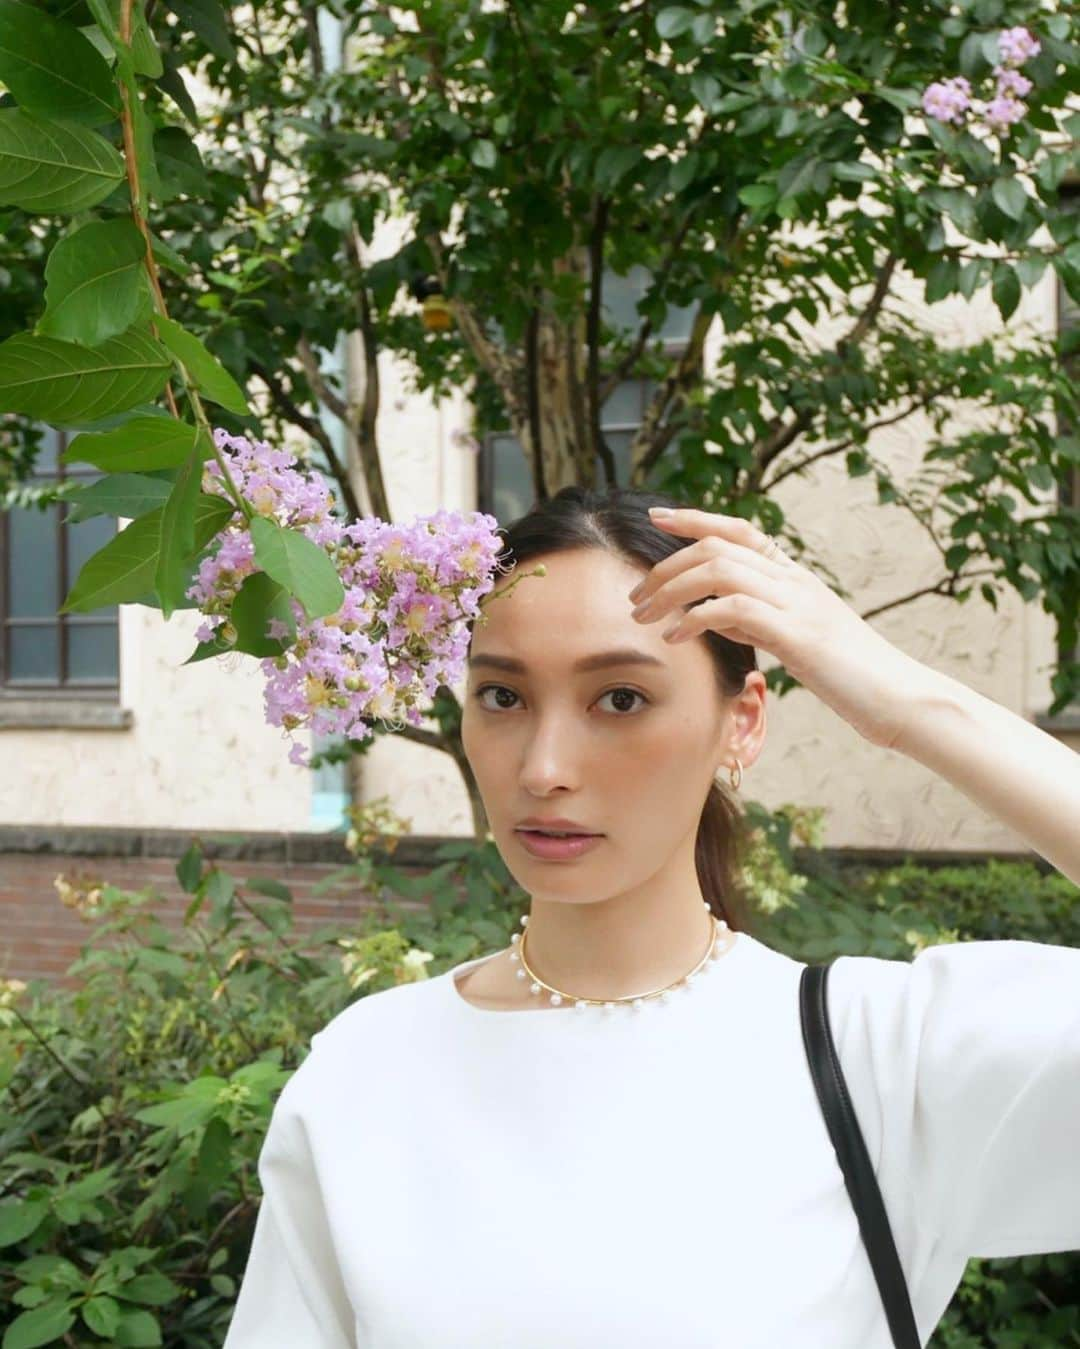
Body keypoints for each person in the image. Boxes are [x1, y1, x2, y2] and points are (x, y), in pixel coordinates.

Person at [222, 485, 1080, 1348]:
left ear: (741, 723)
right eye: (503, 697)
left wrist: (899, 702)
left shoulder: (883, 1059)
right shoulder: (364, 1074)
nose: (545, 767)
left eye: (620, 699)